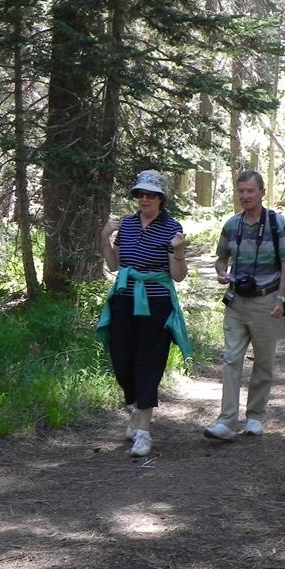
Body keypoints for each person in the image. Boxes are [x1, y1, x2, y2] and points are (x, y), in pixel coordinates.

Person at [98, 170, 192, 458]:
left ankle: (144, 433)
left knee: (148, 364)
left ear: (161, 198)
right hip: (124, 300)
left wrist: (179, 252)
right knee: (122, 361)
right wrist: (104, 236)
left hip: (156, 303)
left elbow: (177, 276)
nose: (144, 199)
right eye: (140, 194)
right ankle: (137, 409)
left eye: (151, 194)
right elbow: (114, 266)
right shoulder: (125, 226)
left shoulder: (172, 228)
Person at [203, 170, 285, 441]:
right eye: (241, 191)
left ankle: (255, 416)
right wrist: (222, 272)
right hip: (236, 301)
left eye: (251, 191)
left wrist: (280, 298)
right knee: (231, 359)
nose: (245, 196)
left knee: (263, 362)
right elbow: (221, 259)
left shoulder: (277, 223)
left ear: (262, 192)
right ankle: (226, 421)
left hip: (266, 301)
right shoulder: (232, 224)